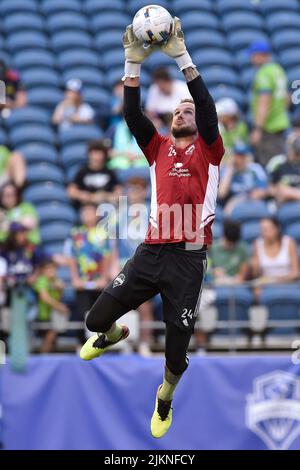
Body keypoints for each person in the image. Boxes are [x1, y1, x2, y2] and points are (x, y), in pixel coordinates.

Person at [80, 19, 224, 438]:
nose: (182, 111)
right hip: (152, 252)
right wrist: (132, 61)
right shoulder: (157, 146)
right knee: (94, 321)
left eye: (188, 110)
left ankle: (164, 396)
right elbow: (130, 112)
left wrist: (182, 57)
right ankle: (114, 333)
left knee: (176, 357)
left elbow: (208, 109)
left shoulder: (211, 151)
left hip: (189, 259)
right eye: (177, 109)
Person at [117, 177, 154, 356]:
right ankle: (126, 341)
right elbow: (113, 243)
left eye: (137, 189)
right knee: (122, 304)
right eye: (130, 189)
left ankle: (144, 342)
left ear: (144, 192)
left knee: (144, 304)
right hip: (124, 263)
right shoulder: (120, 213)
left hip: (145, 263)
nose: (133, 193)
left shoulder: (151, 210)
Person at [68, 203, 113, 344]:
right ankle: (81, 343)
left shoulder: (102, 234)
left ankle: (101, 343)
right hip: (82, 282)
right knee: (82, 313)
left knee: (101, 313)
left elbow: (106, 256)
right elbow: (72, 258)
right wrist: (75, 279)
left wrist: (104, 278)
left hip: (99, 282)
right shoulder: (76, 234)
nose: (87, 214)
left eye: (90, 211)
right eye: (84, 212)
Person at [249, 40, 290, 166]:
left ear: (260, 55)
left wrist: (258, 129)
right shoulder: (278, 70)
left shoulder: (264, 73)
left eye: (253, 55)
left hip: (268, 129)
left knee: (270, 168)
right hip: (281, 124)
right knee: (279, 164)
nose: (251, 59)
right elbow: (286, 98)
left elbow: (264, 101)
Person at [251, 218, 299, 300]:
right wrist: (255, 268)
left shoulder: (289, 242)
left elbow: (296, 272)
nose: (264, 232)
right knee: (256, 291)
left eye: (268, 228)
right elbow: (256, 275)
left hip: (288, 283)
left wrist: (277, 280)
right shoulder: (257, 244)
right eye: (262, 229)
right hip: (266, 286)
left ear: (277, 229)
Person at [67, 140, 122, 207]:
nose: (97, 157)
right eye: (94, 153)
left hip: (106, 206)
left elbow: (119, 193)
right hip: (87, 207)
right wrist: (89, 197)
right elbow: (71, 192)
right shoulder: (82, 171)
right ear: (89, 155)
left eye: (99, 153)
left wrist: (106, 196)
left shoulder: (110, 172)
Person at [218, 143, 268, 215]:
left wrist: (239, 199)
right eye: (237, 155)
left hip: (251, 203)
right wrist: (230, 171)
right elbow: (221, 194)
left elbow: (263, 191)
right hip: (230, 207)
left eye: (242, 156)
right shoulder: (227, 170)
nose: (240, 159)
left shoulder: (255, 169)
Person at [34, 259, 70, 353]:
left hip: (53, 314)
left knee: (54, 331)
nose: (51, 271)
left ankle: (48, 354)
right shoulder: (42, 280)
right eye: (48, 269)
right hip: (43, 314)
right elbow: (44, 297)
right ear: (43, 271)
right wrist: (59, 307)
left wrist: (60, 289)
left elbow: (59, 297)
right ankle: (44, 355)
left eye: (53, 269)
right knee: (51, 332)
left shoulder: (56, 281)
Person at [210, 219, 249, 284]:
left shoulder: (242, 248)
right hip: (217, 282)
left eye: (233, 243)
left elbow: (244, 267)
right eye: (228, 243)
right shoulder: (213, 248)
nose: (231, 246)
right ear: (224, 236)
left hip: (235, 283)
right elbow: (208, 267)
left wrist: (240, 277)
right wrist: (213, 271)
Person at [269, 136, 300, 204]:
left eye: (297, 153)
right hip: (283, 203)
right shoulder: (278, 162)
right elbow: (270, 188)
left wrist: (290, 192)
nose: (296, 155)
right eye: (295, 151)